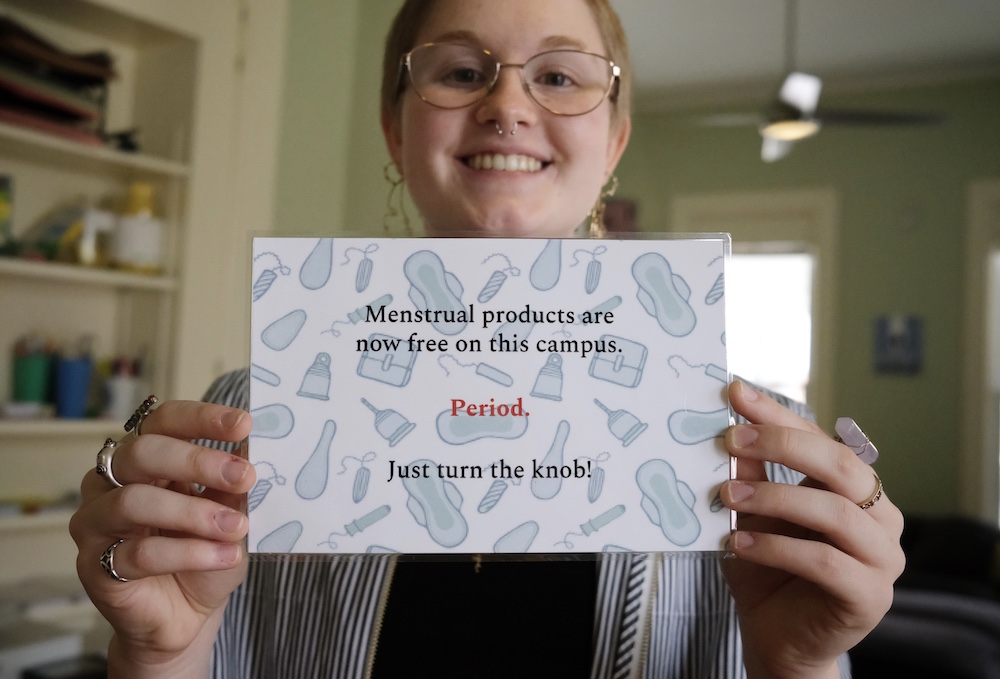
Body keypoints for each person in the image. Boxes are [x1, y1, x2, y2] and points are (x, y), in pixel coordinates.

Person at [70, 0, 905, 676]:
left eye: (558, 76)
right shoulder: (251, 417)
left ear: (612, 141)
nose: (507, 106)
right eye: (463, 72)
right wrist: (159, 651)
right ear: (397, 132)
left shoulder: (755, 445)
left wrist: (798, 666)